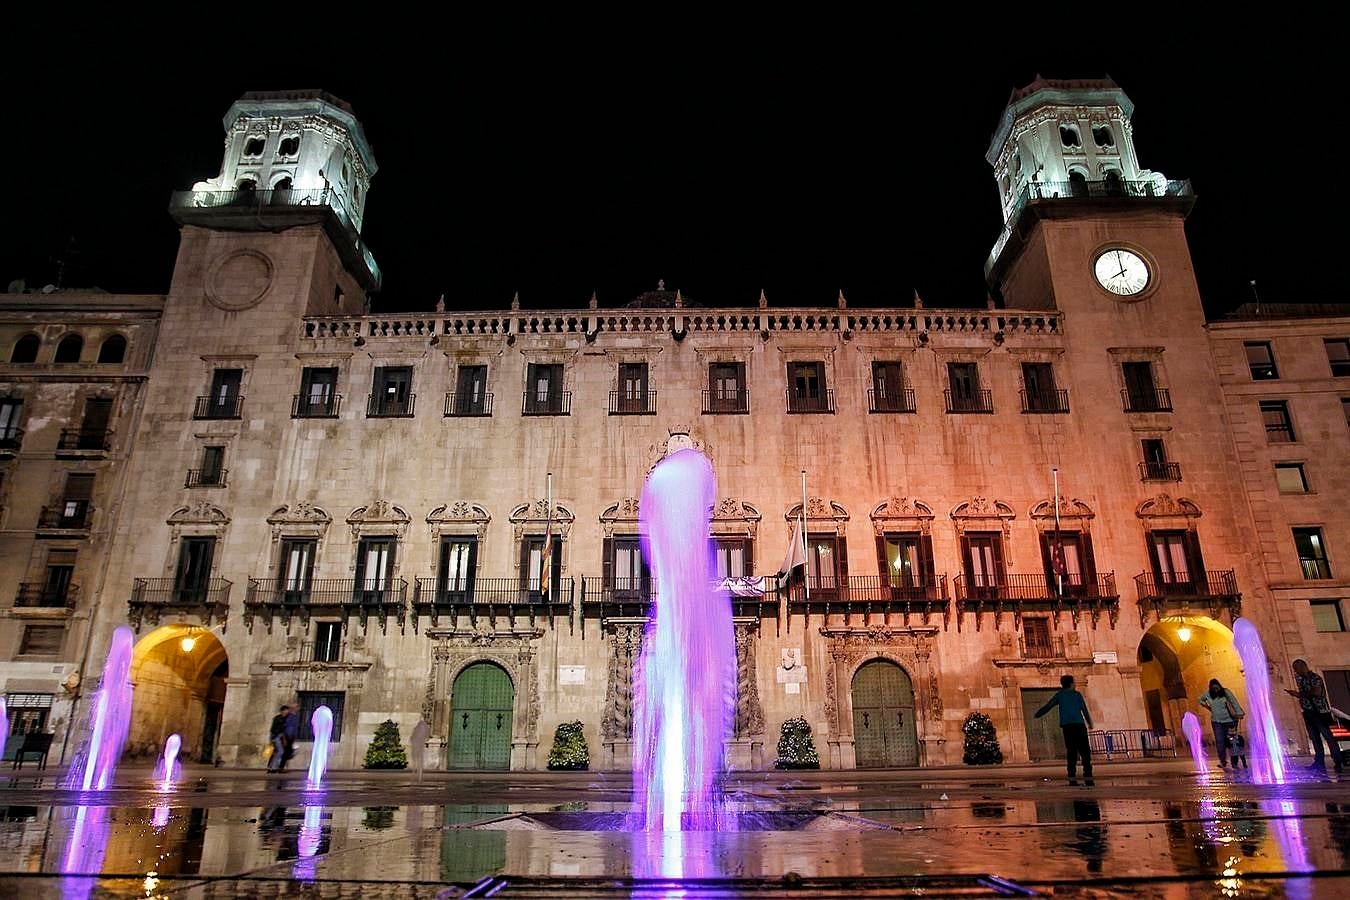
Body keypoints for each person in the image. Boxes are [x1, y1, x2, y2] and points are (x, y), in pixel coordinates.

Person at [1284, 659, 1344, 772]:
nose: (1295, 671)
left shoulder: (1315, 678)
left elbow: (1317, 692)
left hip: (1321, 712)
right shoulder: (1301, 680)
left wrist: (1299, 694)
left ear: (1303, 666)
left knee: (1329, 737)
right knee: (1315, 738)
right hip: (1308, 712)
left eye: (1296, 668)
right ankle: (1319, 762)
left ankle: (1338, 761)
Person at [1035, 674, 1095, 782]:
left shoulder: (1060, 695)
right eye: (1074, 682)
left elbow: (1049, 705)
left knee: (1071, 751)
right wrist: (1089, 722)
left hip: (1067, 727)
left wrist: (1038, 714)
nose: (1075, 684)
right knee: (1084, 750)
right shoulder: (1077, 695)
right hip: (1079, 725)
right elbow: (1084, 709)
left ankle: (1071, 775)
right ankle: (1088, 773)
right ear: (1071, 684)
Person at [1197, 678, 1245, 768]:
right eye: (1213, 688)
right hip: (1216, 722)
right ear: (1211, 688)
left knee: (1232, 742)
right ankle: (1223, 761)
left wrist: (1239, 713)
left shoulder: (1226, 692)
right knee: (1220, 742)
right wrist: (1207, 706)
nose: (1216, 690)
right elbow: (1200, 699)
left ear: (1219, 686)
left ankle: (1234, 763)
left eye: (1217, 688)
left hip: (1229, 721)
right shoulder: (1208, 694)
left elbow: (1234, 702)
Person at [267, 705, 291, 773]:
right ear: (282, 711)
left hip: (278, 737)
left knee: (277, 752)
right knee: (280, 751)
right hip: (276, 736)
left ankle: (272, 767)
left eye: (287, 710)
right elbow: (275, 729)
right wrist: (273, 738)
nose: (287, 712)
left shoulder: (284, 719)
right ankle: (273, 767)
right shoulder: (278, 718)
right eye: (286, 710)